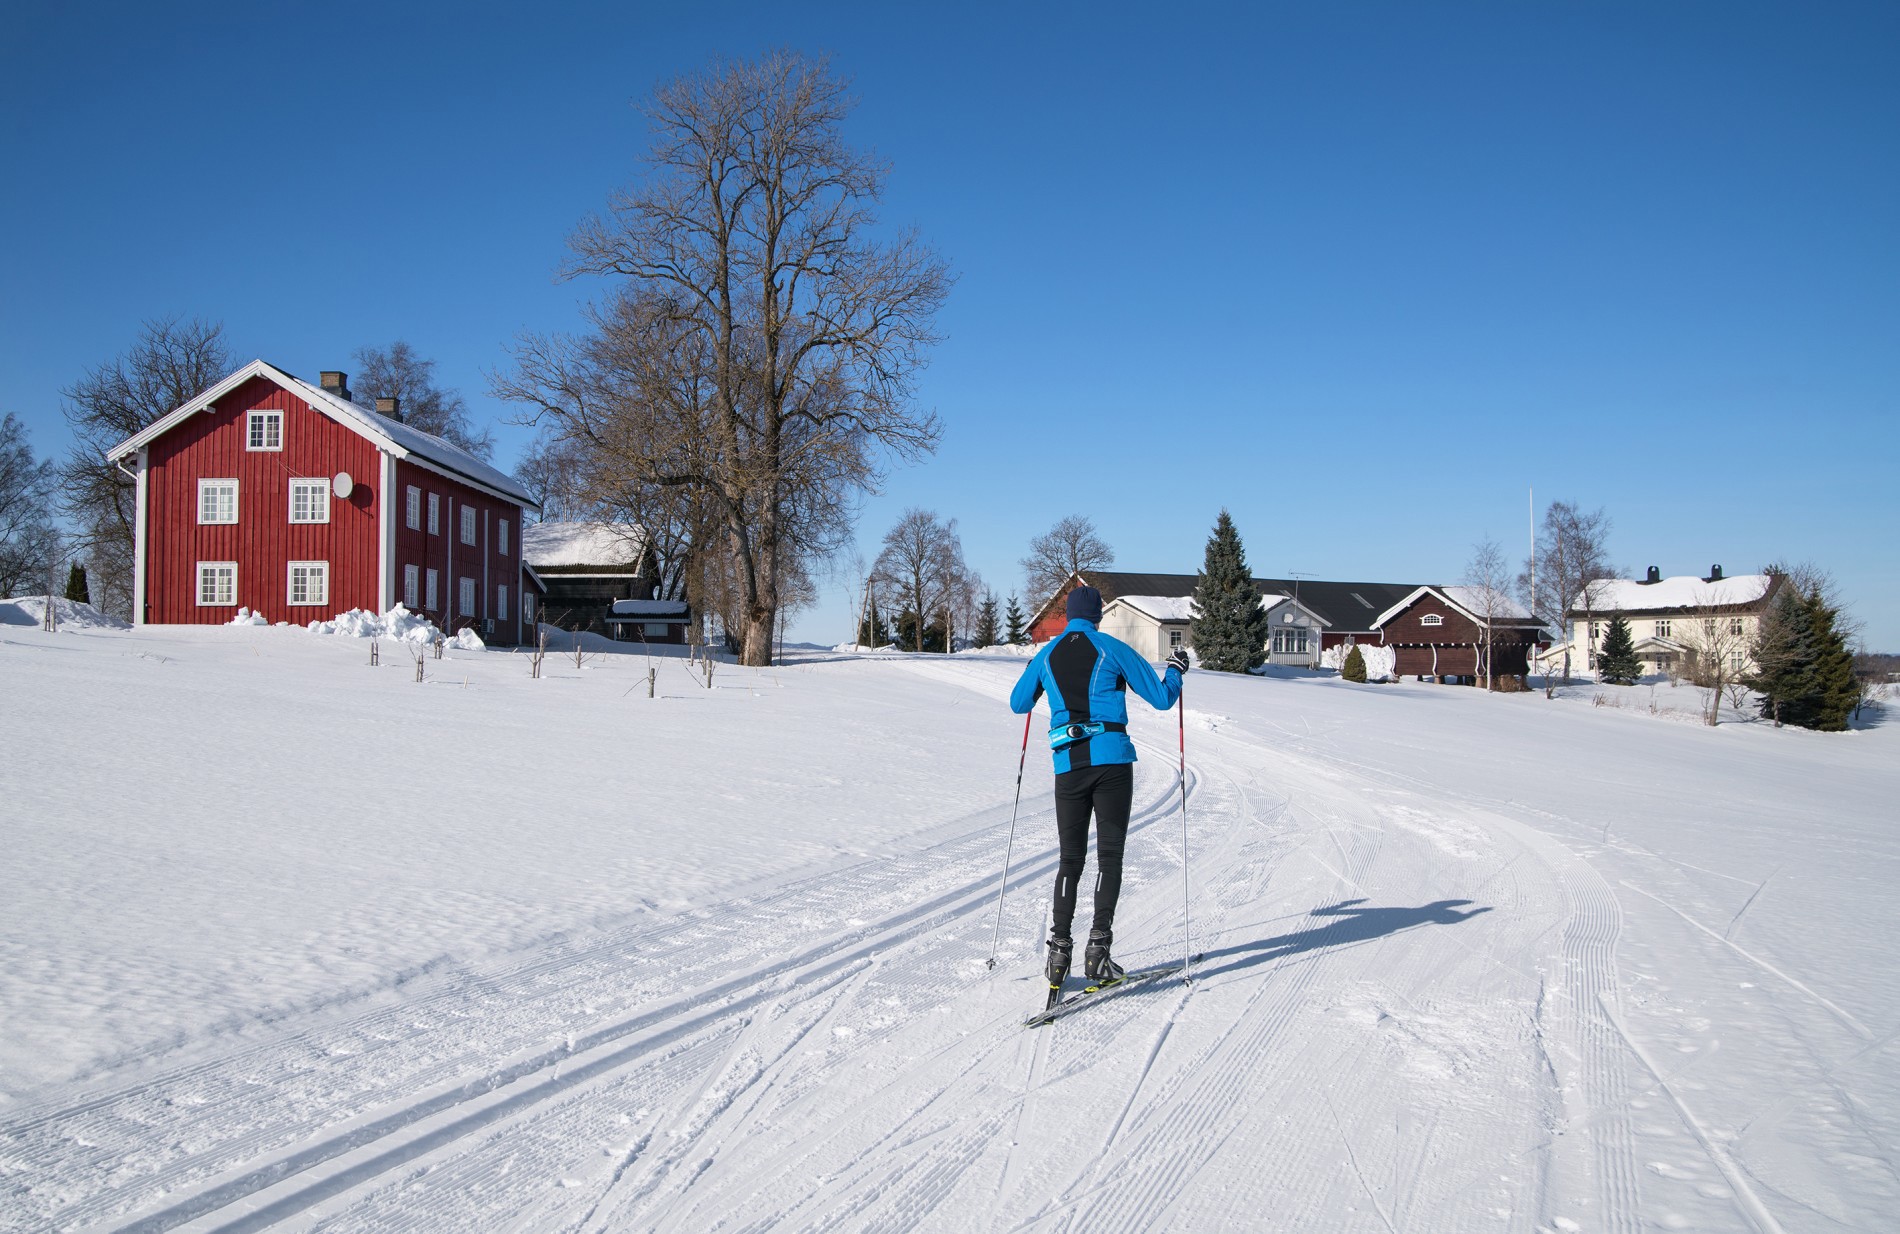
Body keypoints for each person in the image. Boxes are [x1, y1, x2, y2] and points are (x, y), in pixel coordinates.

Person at [1010, 584, 1188, 991]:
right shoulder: (1112, 648)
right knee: (1110, 856)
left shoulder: (1048, 654)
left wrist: (1034, 673)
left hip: (1068, 767)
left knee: (1070, 860)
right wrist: (1176, 670)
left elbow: (1019, 704)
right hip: (1112, 764)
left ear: (1068, 615)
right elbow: (1162, 699)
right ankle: (1098, 950)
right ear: (1097, 616)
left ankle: (1059, 952)